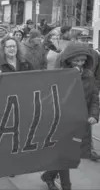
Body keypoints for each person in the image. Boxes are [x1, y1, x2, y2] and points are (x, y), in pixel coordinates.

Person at [41, 42, 99, 190]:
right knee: (65, 154)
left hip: (81, 122)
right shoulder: (59, 75)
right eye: (76, 60)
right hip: (62, 122)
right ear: (68, 61)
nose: (80, 64)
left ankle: (49, 175)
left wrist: (94, 115)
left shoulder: (89, 75)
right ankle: (66, 186)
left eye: (83, 61)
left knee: (74, 155)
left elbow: (94, 97)